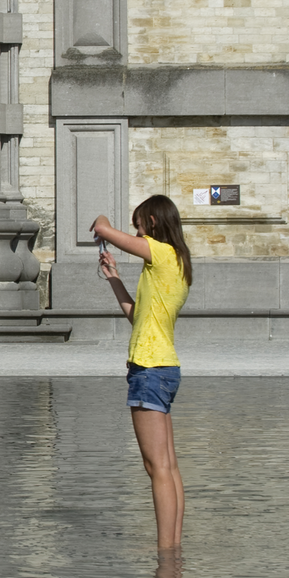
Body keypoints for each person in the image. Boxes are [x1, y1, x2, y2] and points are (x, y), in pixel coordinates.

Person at [93, 195, 192, 550]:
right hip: (164, 367)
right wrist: (114, 278)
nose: (137, 232)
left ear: (152, 221)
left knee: (157, 468)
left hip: (149, 368)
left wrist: (102, 224)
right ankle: (174, 548)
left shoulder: (161, 252)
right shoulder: (177, 262)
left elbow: (102, 225)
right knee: (168, 466)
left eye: (139, 225)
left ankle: (166, 556)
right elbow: (140, 318)